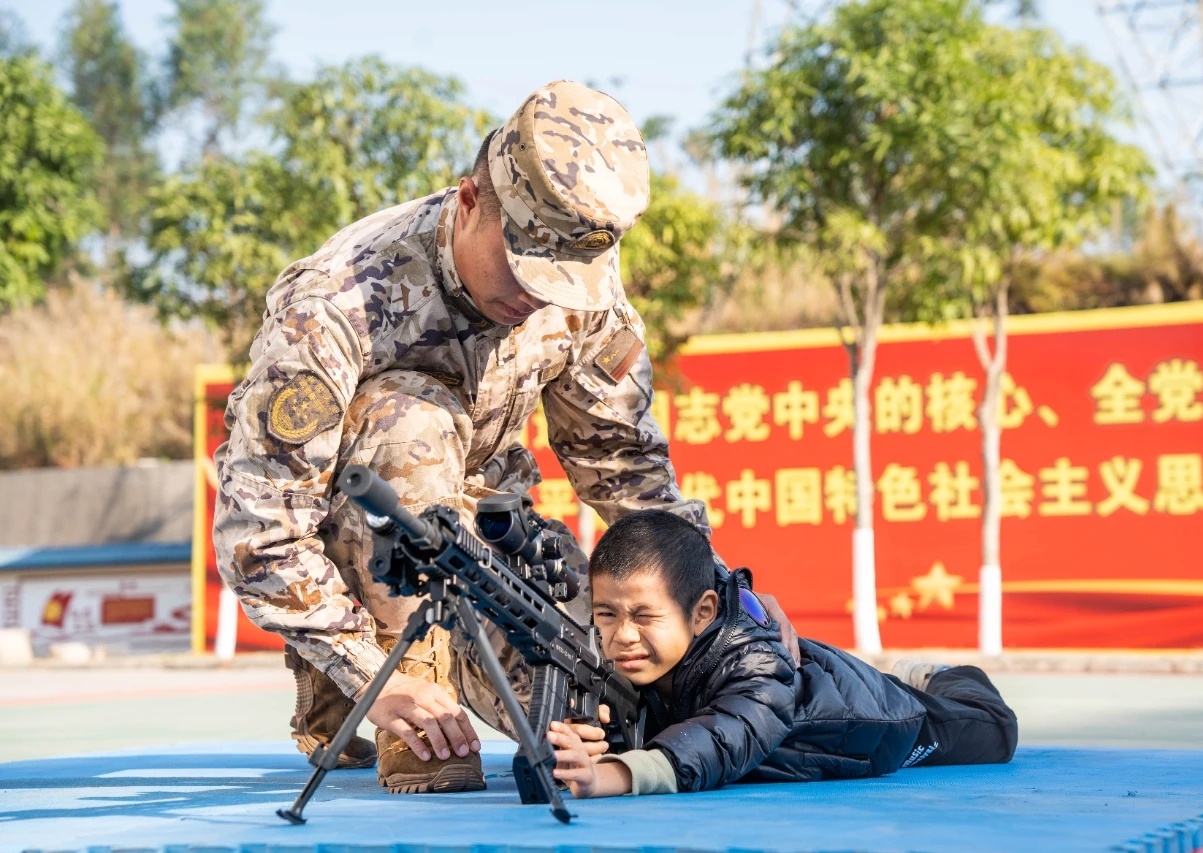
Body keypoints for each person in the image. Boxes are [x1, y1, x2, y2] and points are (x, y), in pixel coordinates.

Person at [212, 80, 799, 796]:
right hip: (370, 529)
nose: (542, 297)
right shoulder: (336, 305)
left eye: (564, 280)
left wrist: (717, 589)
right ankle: (405, 691)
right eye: (526, 267)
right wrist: (372, 673)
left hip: (490, 538)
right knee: (410, 420)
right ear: (469, 202)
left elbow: (624, 466)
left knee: (626, 702)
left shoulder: (581, 282)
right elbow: (259, 532)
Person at [546, 510, 1018, 797]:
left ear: (702, 612)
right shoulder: (639, 658)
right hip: (821, 674)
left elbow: (725, 736)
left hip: (881, 717)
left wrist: (611, 776)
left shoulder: (755, 668)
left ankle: (939, 676)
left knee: (995, 730)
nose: (622, 636)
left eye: (645, 616)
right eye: (607, 614)